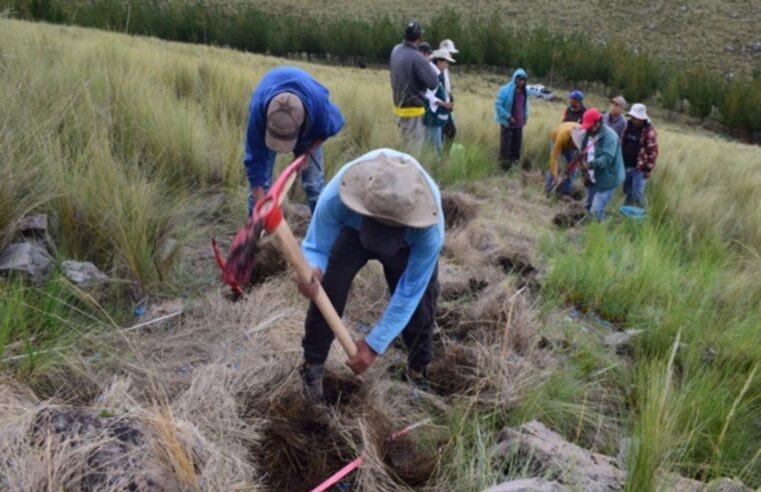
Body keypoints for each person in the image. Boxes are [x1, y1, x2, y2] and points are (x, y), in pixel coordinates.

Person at [296, 149, 444, 402]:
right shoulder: (339, 195)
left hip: (406, 244)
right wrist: (312, 269)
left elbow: (409, 292)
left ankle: (417, 371)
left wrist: (374, 344)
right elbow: (315, 246)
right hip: (353, 232)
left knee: (421, 306)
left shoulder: (429, 229)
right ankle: (312, 367)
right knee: (328, 291)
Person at [244, 66, 344, 215]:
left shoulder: (320, 109)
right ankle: (255, 233)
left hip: (309, 127)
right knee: (260, 186)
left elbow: (326, 131)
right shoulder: (259, 112)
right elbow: (255, 163)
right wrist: (260, 208)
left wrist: (306, 153)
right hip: (268, 101)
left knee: (314, 184)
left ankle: (321, 228)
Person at [390, 21, 439, 151]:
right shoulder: (418, 58)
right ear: (419, 38)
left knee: (400, 150)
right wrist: (427, 63)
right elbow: (433, 83)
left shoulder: (395, 50)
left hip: (398, 109)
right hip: (414, 113)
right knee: (412, 154)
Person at [579, 108, 625, 220]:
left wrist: (588, 165)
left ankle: (602, 232)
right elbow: (584, 154)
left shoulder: (611, 137)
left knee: (596, 211)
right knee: (587, 207)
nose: (587, 130)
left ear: (598, 123)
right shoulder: (587, 134)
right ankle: (587, 231)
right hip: (593, 178)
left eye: (590, 127)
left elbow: (606, 159)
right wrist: (585, 174)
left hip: (608, 179)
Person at [621, 103, 658, 208]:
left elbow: (653, 152)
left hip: (640, 168)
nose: (633, 118)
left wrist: (648, 169)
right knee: (627, 190)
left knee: (637, 193)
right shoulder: (627, 126)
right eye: (632, 116)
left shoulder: (648, 131)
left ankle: (643, 213)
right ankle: (627, 210)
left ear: (642, 118)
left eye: (636, 117)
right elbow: (622, 142)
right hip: (626, 165)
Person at [495, 68, 529, 171]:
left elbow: (525, 105)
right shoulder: (505, 90)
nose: (521, 82)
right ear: (515, 79)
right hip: (507, 124)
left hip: (519, 125)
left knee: (516, 148)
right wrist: (508, 116)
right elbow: (498, 105)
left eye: (523, 80)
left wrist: (525, 117)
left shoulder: (524, 92)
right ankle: (503, 169)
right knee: (505, 148)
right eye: (519, 79)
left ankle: (513, 169)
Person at [424, 50, 455, 155]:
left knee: (438, 139)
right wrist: (443, 103)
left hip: (438, 113)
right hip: (432, 114)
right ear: (439, 62)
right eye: (446, 62)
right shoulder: (432, 74)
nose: (447, 65)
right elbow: (428, 95)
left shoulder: (438, 73)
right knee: (435, 144)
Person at [547, 121, 582, 195]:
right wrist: (555, 176)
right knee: (554, 166)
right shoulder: (562, 136)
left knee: (573, 168)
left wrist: (571, 168)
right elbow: (554, 158)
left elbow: (580, 157)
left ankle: (565, 192)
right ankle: (549, 189)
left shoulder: (584, 137)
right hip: (555, 139)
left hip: (569, 145)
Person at [439, 39, 459, 149]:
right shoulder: (438, 68)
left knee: (450, 132)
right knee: (447, 132)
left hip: (446, 103)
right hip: (441, 105)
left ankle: (444, 155)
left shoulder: (445, 68)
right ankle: (442, 157)